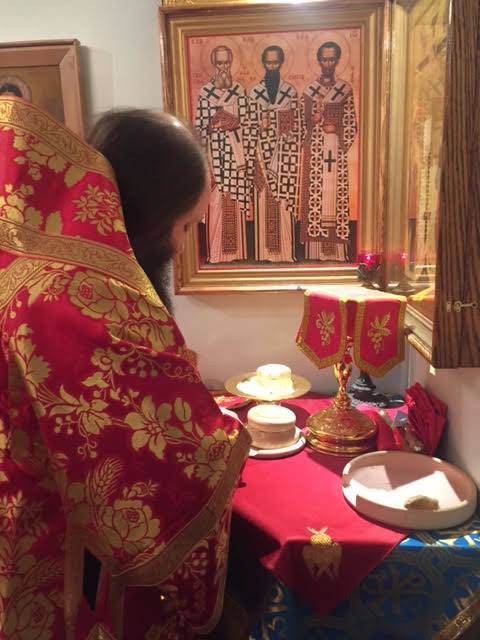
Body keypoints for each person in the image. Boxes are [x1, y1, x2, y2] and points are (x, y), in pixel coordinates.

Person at [0, 96, 250, 639]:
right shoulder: (76, 301)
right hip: (48, 544)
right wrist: (225, 437)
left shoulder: (43, 264)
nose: (179, 248)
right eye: (184, 227)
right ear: (148, 217)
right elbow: (149, 462)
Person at [195, 45, 256, 263]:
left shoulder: (239, 91)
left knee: (234, 200)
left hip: (235, 154)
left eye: (226, 62)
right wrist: (213, 124)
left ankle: (236, 254)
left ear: (231, 63)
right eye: (219, 63)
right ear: (214, 64)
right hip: (215, 155)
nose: (223, 67)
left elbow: (249, 124)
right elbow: (199, 131)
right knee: (217, 200)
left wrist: (233, 123)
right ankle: (216, 254)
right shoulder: (205, 94)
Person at [300, 41, 358, 261]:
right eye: (324, 59)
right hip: (315, 153)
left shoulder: (344, 90)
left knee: (335, 200)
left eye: (332, 59)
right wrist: (312, 120)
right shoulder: (309, 91)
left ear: (337, 60)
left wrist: (338, 129)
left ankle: (336, 253)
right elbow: (300, 124)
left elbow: (351, 123)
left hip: (337, 154)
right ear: (318, 60)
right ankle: (314, 254)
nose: (328, 63)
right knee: (316, 200)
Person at [249, 45, 301, 262]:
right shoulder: (254, 93)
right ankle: (265, 254)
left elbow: (298, 127)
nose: (272, 66)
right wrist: (258, 127)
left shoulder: (290, 92)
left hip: (284, 157)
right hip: (261, 155)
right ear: (263, 64)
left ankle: (285, 254)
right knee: (264, 200)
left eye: (276, 62)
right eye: (269, 63)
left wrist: (285, 128)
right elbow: (246, 127)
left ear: (281, 63)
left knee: (283, 203)